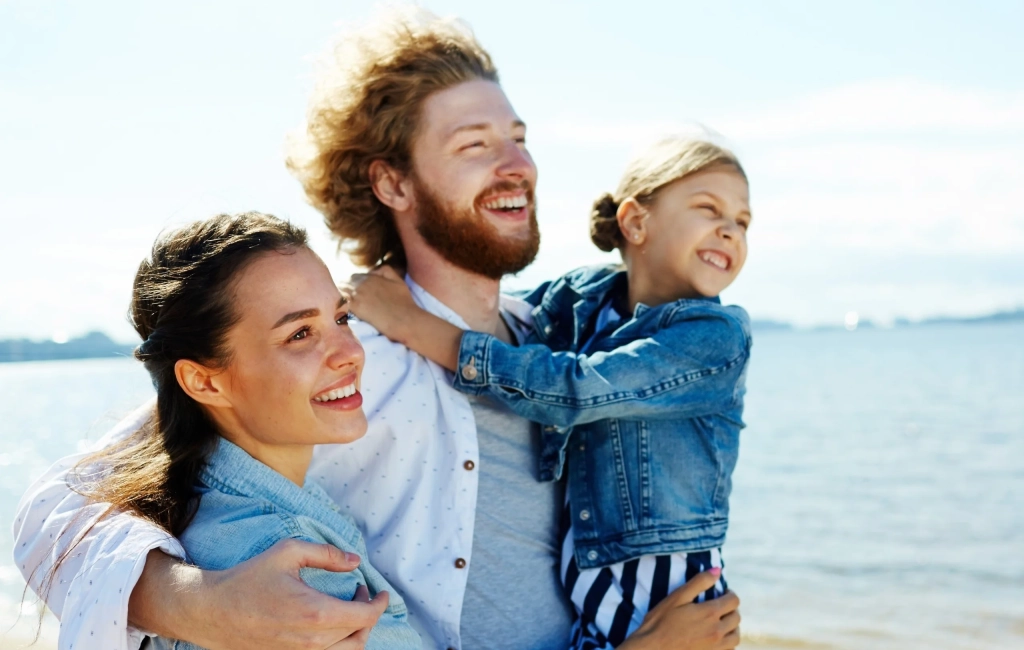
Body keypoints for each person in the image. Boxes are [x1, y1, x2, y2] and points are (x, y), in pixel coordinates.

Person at [13, 9, 741, 650]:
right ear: (393, 183)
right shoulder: (342, 353)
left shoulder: (556, 339)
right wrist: (202, 605)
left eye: (518, 139)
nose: (518, 165)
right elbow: (53, 512)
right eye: (475, 145)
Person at [343, 136, 752, 648]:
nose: (730, 230)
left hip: (662, 589)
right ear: (635, 222)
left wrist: (408, 322)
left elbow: (572, 387)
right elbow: (478, 300)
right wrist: (389, 282)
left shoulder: (716, 337)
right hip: (585, 591)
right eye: (709, 209)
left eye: (743, 221)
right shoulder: (582, 297)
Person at [49, 212, 421, 649]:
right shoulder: (287, 566)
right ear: (204, 382)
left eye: (341, 318)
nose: (350, 353)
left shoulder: (195, 504)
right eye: (300, 334)